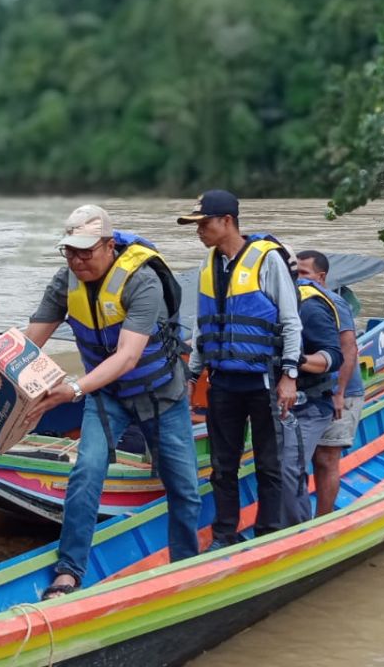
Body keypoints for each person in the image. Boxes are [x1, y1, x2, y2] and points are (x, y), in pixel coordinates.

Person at [25, 204, 201, 599]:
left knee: (184, 488)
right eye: (70, 251)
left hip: (161, 397)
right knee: (86, 473)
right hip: (107, 397)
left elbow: (127, 357)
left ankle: (186, 565)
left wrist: (70, 390)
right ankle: (69, 571)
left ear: (108, 246)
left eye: (86, 252)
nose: (77, 260)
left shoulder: (142, 280)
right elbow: (30, 341)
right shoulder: (65, 279)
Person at [179, 189, 302, 548]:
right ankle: (224, 535)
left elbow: (291, 321)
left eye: (203, 223)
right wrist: (192, 375)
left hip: (263, 379)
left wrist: (289, 376)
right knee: (223, 465)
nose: (198, 231)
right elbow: (204, 326)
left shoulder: (267, 261)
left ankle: (268, 535)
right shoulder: (209, 266)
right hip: (223, 382)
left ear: (227, 221)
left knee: (269, 463)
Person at [297, 250, 366, 516]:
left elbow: (348, 349)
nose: (299, 279)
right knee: (299, 461)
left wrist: (339, 392)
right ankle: (298, 517)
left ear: (321, 276)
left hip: (341, 392)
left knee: (326, 459)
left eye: (304, 273)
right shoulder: (295, 299)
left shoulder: (334, 302)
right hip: (311, 392)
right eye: (296, 273)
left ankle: (323, 519)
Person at [276, 268, 344, 527]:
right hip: (273, 405)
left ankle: (297, 533)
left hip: (309, 404)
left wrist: (293, 360)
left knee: (290, 468)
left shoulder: (310, 307)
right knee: (277, 468)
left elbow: (337, 355)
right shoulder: (259, 302)